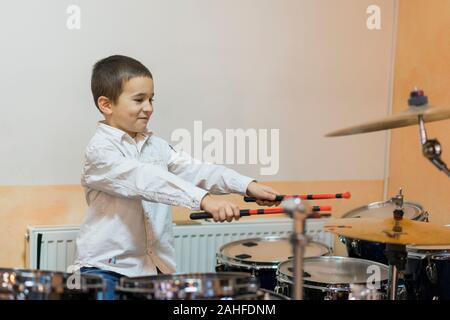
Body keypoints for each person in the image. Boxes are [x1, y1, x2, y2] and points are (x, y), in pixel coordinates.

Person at [74, 55, 281, 299]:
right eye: (139, 99)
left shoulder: (157, 146)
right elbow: (146, 179)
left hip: (155, 270)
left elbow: (198, 170)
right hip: (106, 271)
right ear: (106, 105)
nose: (149, 107)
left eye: (151, 99)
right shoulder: (100, 150)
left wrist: (247, 185)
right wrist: (205, 200)